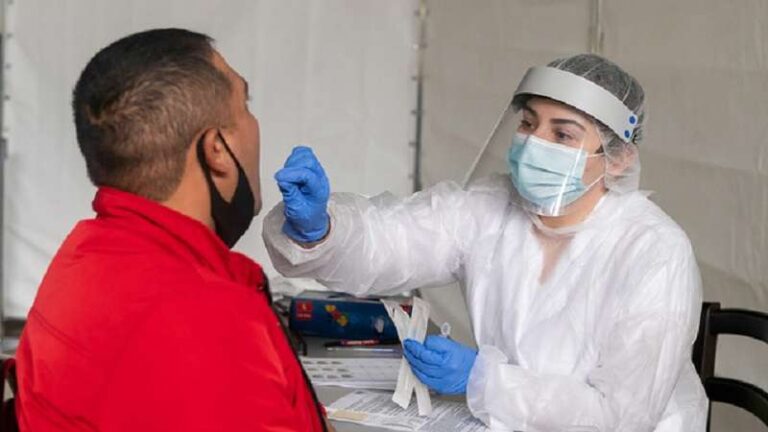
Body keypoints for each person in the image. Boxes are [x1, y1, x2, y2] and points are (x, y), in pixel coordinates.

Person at [263, 54, 708, 431]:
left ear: (620, 157)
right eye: (529, 123)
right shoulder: (493, 206)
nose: (534, 145)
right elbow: (396, 240)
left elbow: (620, 416)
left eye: (562, 134)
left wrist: (483, 379)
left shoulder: (654, 251)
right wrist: (322, 229)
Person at [15, 29, 328, 431]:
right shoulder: (210, 322)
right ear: (216, 150)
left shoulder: (82, 259)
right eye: (245, 104)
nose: (254, 122)